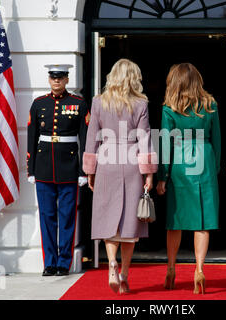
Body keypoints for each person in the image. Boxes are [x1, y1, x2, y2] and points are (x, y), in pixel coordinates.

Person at [82, 59, 157, 294]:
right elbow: (145, 138)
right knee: (129, 223)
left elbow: (92, 136)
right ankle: (124, 273)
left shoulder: (98, 102)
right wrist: (149, 174)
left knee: (108, 216)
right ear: (134, 77)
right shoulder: (141, 103)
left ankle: (111, 263)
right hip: (132, 160)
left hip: (106, 160)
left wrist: (89, 170)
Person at [156, 63, 221, 295]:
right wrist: (214, 169)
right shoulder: (210, 104)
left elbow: (165, 144)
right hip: (204, 161)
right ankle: (200, 270)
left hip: (180, 163)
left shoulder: (169, 108)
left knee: (175, 221)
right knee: (201, 222)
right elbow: (217, 140)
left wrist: (162, 176)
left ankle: (171, 269)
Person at [27, 64, 89, 276]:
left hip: (69, 167)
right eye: (53, 78)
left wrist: (83, 171)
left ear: (66, 80)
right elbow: (32, 137)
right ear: (49, 79)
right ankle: (50, 262)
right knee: (47, 216)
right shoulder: (38, 104)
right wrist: (31, 169)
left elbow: (85, 138)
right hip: (44, 167)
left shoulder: (78, 103)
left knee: (67, 217)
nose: (56, 81)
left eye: (60, 78)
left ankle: (64, 263)